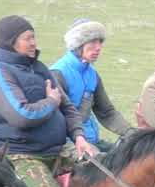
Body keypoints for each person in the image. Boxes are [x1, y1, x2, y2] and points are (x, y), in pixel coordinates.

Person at [0, 15, 94, 187]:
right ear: (10, 42)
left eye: (34, 37)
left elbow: (67, 107)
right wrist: (50, 101)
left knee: (108, 174)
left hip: (59, 150)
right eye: (27, 38)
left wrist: (79, 137)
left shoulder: (39, 67)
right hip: (22, 156)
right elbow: (21, 116)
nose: (34, 43)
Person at [51, 19, 134, 153]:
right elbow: (56, 120)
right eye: (93, 41)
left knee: (133, 156)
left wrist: (132, 134)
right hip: (69, 145)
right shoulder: (58, 73)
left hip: (92, 141)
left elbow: (107, 112)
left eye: (100, 42)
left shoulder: (92, 75)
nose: (99, 47)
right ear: (77, 43)